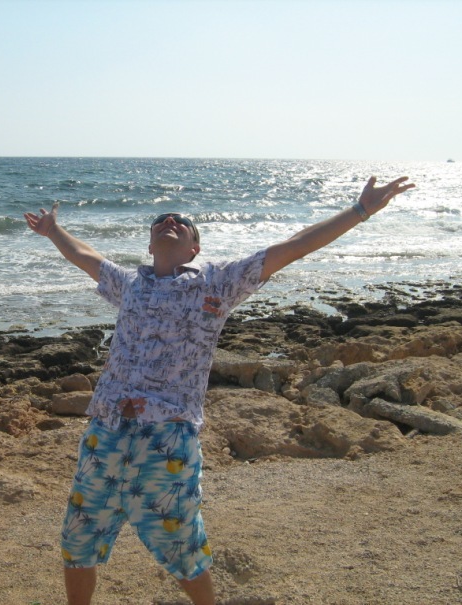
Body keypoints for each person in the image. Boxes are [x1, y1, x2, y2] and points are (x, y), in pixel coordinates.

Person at [24, 176, 414, 605]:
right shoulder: (129, 284)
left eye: (182, 222)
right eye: (161, 220)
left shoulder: (217, 283)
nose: (170, 221)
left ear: (194, 248)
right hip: (107, 429)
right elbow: (87, 257)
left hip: (168, 434)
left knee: (182, 545)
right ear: (150, 246)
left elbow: (292, 246)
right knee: (78, 539)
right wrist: (53, 231)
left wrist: (360, 210)